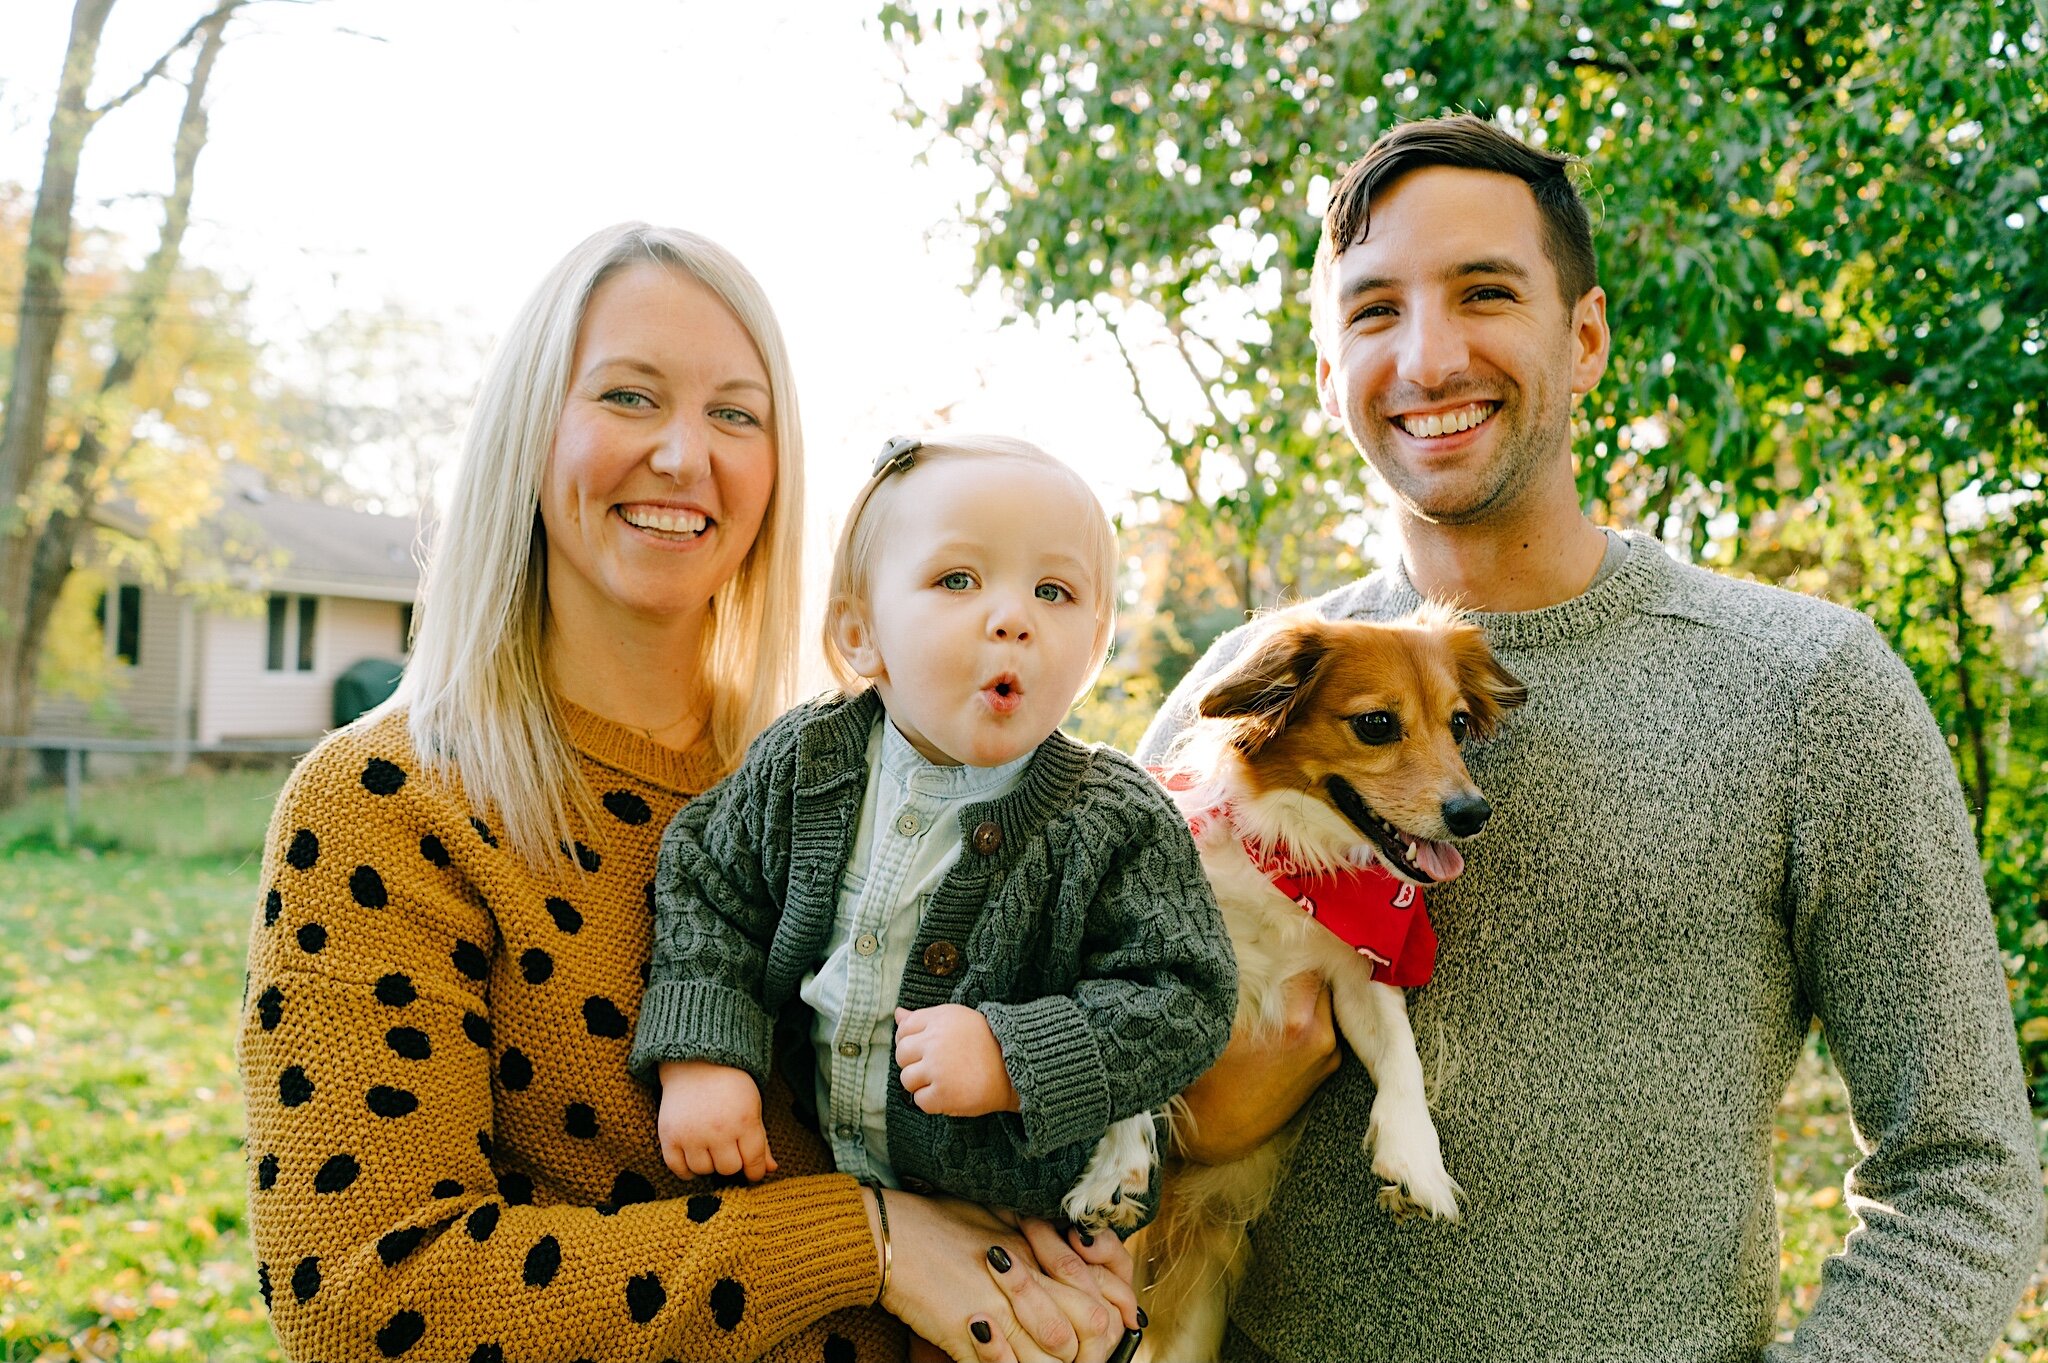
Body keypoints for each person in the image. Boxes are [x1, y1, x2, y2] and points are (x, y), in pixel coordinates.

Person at [1138, 116, 2044, 1363]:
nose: (1427, 353)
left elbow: (1961, 1168)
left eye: (1483, 293)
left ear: (1586, 338)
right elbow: (1048, 1087)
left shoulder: (1808, 688)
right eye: (1370, 312)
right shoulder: (1235, 708)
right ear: (1324, 372)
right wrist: (1211, 1112)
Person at [239, 224, 1144, 1363]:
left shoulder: (844, 778)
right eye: (628, 396)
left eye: (734, 413)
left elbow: (982, 1099)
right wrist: (857, 1241)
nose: (682, 456)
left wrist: (1061, 1232)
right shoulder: (385, 802)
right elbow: (367, 1302)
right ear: (530, 429)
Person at [629, 434, 1236, 1231]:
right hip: (807, 1178)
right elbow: (711, 884)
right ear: (860, 635)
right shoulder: (808, 761)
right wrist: (705, 1052)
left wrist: (1013, 1057)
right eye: (958, 579)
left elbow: (1186, 997)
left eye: (1054, 591)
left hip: (1014, 1213)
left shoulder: (1113, 818)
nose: (1013, 617)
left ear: (1092, 650)